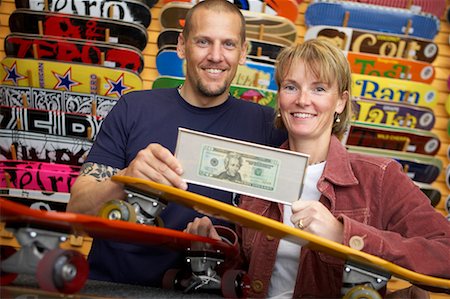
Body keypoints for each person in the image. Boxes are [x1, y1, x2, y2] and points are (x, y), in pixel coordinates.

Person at [185, 39, 450, 298]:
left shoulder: (378, 177)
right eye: (291, 87)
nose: (302, 100)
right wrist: (213, 248)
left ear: (340, 102)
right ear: (280, 97)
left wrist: (344, 235)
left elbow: (445, 255)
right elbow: (248, 269)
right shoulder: (258, 167)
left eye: (319, 89)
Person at [67, 0, 286, 287]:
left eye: (229, 44)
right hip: (112, 287)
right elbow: (77, 213)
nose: (216, 56)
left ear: (243, 52)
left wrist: (229, 248)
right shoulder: (133, 108)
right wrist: (125, 180)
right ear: (182, 46)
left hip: (205, 290)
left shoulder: (269, 127)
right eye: (203, 41)